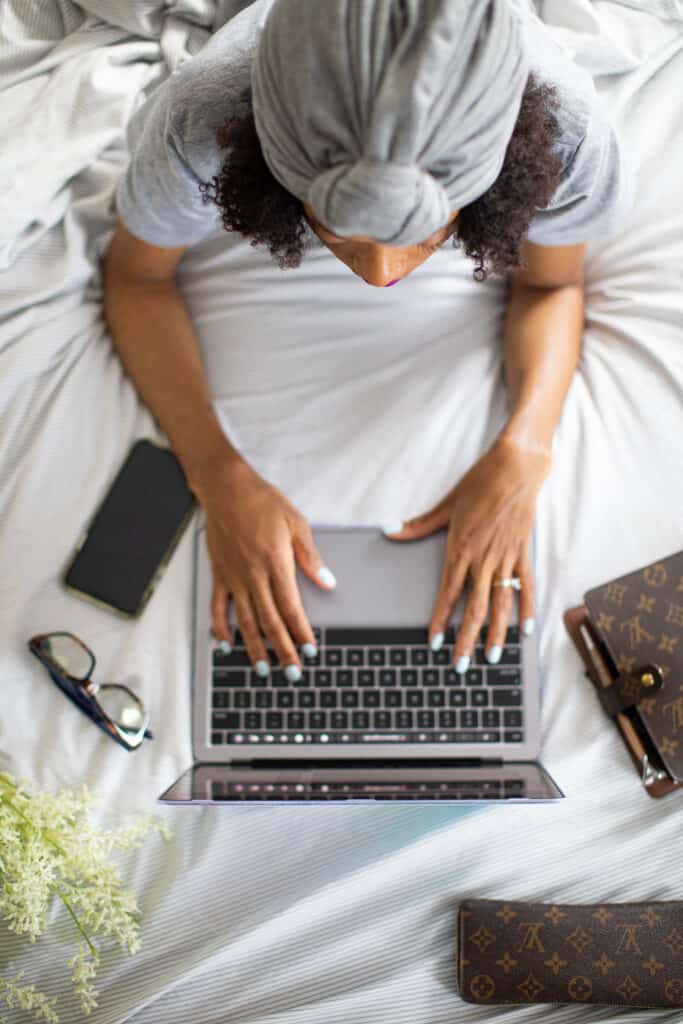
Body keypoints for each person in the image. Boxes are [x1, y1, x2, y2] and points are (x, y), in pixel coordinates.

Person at [103, 0, 634, 683]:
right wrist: (217, 472)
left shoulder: (567, 131)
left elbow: (552, 287)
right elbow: (136, 280)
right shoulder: (202, 116)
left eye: (427, 233)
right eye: (337, 231)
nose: (382, 275)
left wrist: (525, 448)